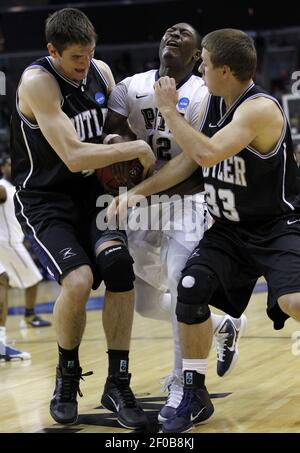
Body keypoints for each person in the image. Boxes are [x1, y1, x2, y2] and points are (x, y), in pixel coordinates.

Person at [141, 28, 300, 433]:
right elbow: (189, 163)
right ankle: (194, 394)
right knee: (190, 286)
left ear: (225, 70)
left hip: (276, 226)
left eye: (206, 62)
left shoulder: (260, 108)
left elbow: (207, 152)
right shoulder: (213, 101)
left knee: (294, 302)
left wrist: (169, 110)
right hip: (228, 229)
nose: (200, 67)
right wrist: (138, 193)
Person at [10, 8, 155, 429]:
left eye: (90, 53)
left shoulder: (101, 71)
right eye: (75, 57)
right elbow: (73, 156)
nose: (84, 63)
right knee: (78, 280)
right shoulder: (38, 83)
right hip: (46, 197)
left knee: (119, 267)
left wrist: (118, 141)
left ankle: (118, 382)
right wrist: (133, 150)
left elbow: (113, 132)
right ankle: (67, 374)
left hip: (93, 193)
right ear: (52, 51)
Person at [104, 23, 247, 422]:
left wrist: (139, 188)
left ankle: (184, 388)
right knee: (147, 301)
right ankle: (220, 325)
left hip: (186, 201)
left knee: (182, 286)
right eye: (169, 31)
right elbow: (109, 138)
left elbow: (190, 163)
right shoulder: (129, 87)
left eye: (184, 34)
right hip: (144, 204)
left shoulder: (204, 94)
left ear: (198, 53)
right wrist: (120, 149)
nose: (173, 34)